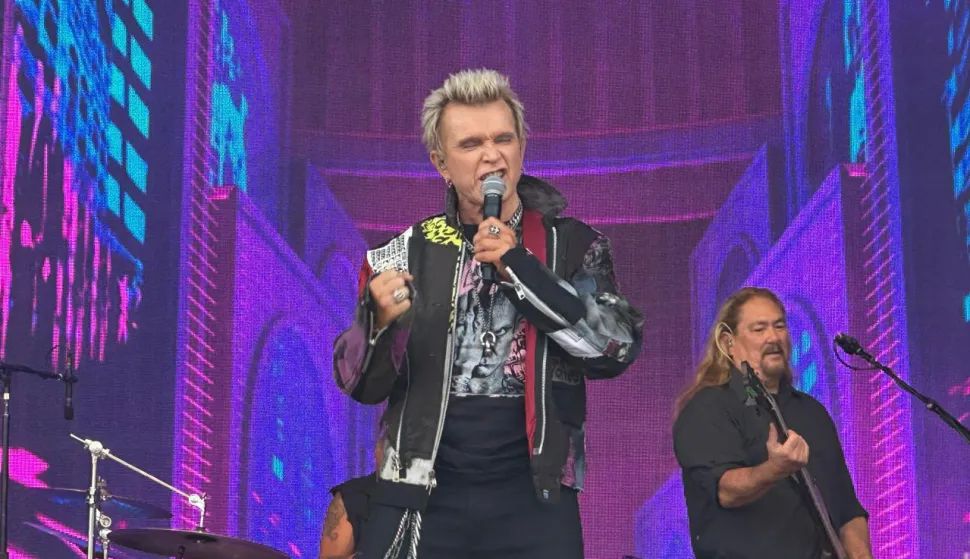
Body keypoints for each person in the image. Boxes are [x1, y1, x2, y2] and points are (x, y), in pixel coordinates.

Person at [331, 68, 643, 559]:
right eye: (471, 144)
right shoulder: (398, 254)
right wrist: (376, 324)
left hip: (537, 497)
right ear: (441, 162)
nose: (491, 156)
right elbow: (359, 387)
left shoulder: (573, 245)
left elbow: (614, 349)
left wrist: (521, 267)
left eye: (503, 138)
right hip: (421, 498)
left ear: (521, 147)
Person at [672, 287, 873, 559]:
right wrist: (775, 469)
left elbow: (846, 508)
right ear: (728, 342)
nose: (773, 337)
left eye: (779, 326)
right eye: (759, 329)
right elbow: (726, 491)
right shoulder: (708, 408)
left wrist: (860, 553)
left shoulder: (812, 412)